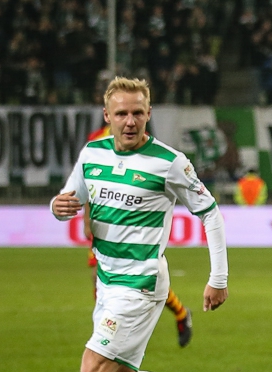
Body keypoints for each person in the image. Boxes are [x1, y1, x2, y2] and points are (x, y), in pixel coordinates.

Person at [51, 77, 234, 372]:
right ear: (107, 116)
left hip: (141, 283)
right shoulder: (92, 154)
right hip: (107, 281)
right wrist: (57, 207)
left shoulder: (168, 162)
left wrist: (218, 278)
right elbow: (69, 202)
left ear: (148, 114)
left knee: (93, 368)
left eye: (137, 112)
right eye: (121, 113)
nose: (130, 121)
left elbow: (210, 213)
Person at [82, 125, 195, 347]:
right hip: (104, 221)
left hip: (133, 224)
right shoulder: (96, 140)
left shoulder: (141, 140)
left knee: (144, 279)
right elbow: (88, 181)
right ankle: (105, 329)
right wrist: (87, 220)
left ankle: (181, 313)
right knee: (98, 275)